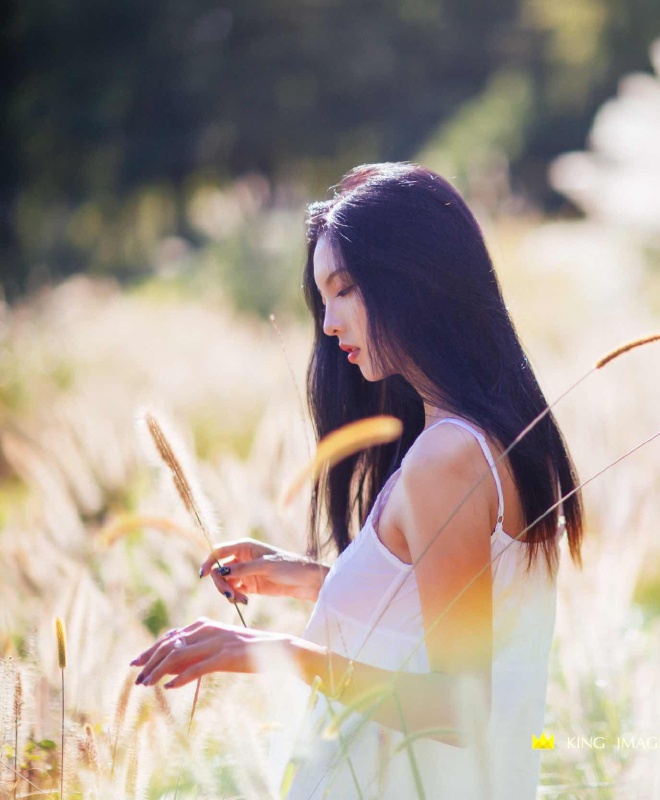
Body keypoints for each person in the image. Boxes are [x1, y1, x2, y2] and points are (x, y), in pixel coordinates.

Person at [128, 162, 586, 799]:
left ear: (412, 280)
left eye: (344, 290)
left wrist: (273, 651)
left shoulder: (445, 460)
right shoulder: (487, 434)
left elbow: (458, 707)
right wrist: (309, 579)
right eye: (323, 297)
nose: (328, 322)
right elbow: (447, 615)